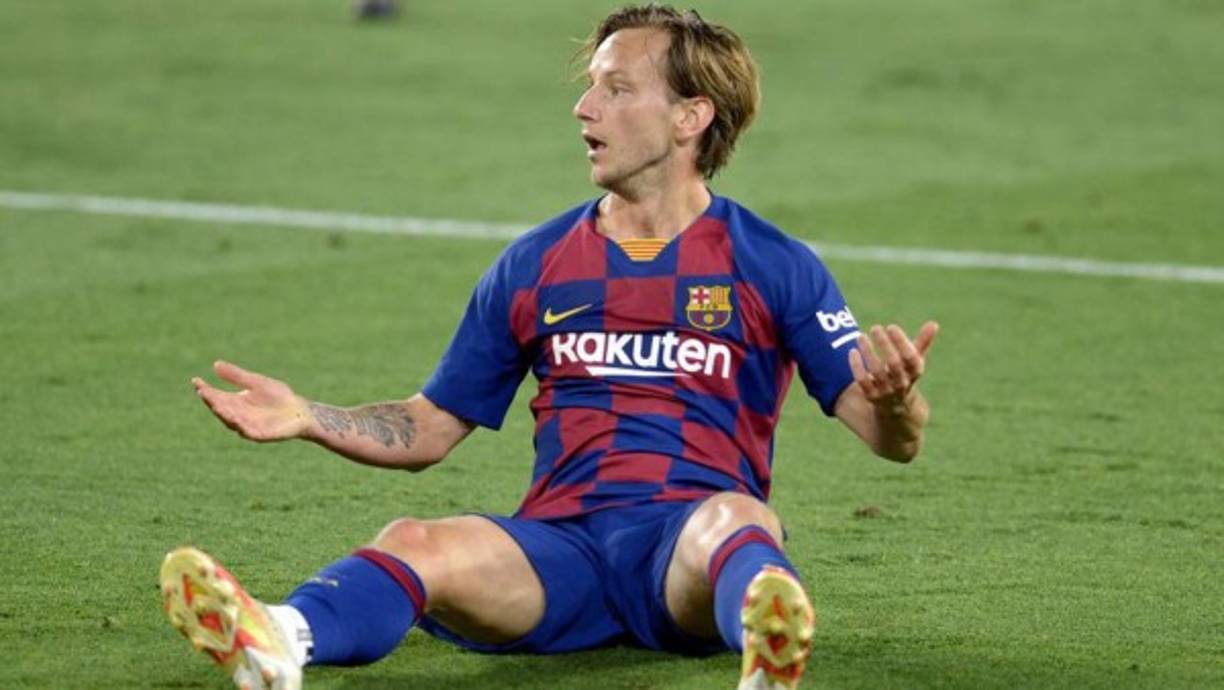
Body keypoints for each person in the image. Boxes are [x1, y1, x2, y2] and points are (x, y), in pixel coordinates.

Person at [160, 5, 939, 690]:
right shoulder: (536, 263)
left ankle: (766, 657)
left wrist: (896, 403)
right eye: (591, 85)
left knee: (740, 521)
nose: (584, 107)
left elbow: (889, 440)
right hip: (560, 549)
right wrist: (308, 415)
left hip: (684, 549)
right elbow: (430, 426)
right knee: (412, 541)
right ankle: (281, 639)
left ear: (690, 117)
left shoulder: (772, 264)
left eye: (616, 88)